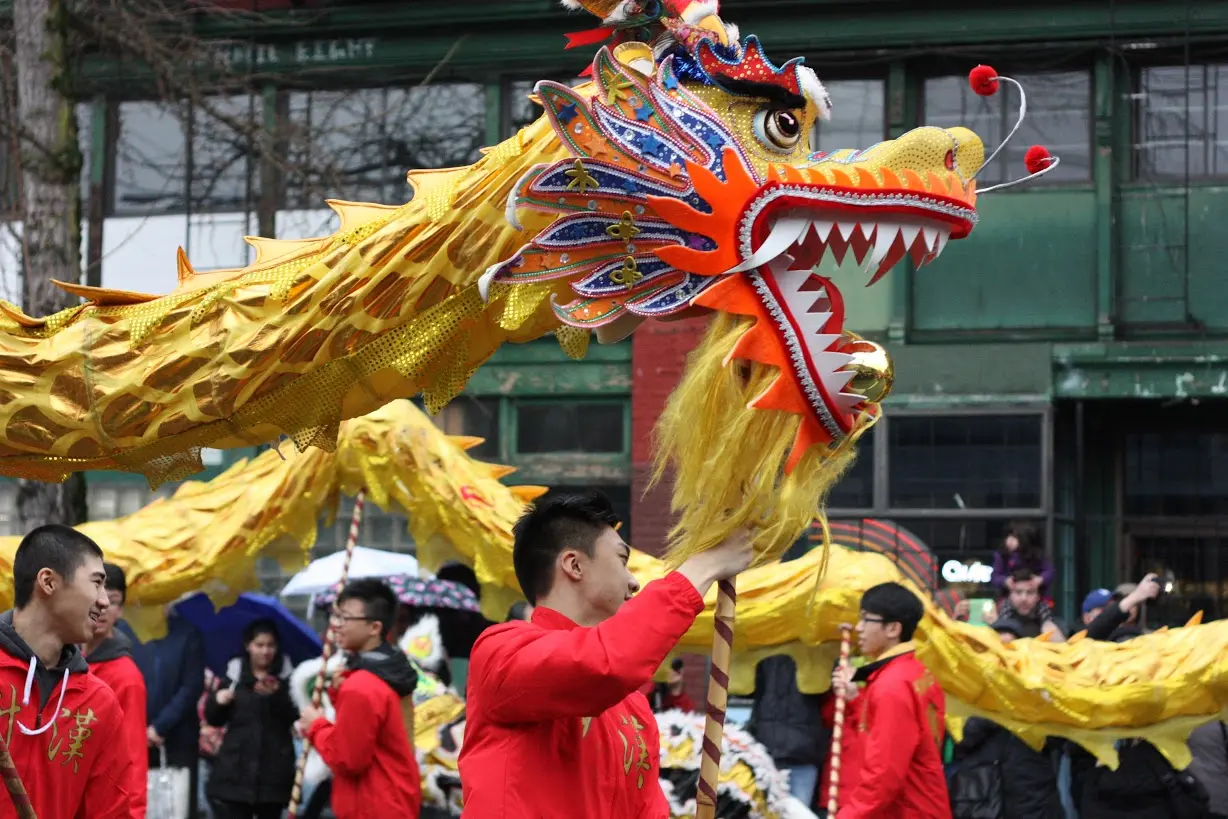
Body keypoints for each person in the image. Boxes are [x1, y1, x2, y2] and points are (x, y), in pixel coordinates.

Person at [458, 490, 753, 818]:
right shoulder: (501, 651)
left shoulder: (633, 705)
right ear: (574, 565)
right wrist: (705, 565)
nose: (634, 582)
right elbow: (602, 663)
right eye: (622, 560)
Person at [0, 525, 131, 817]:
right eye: (96, 583)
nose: (104, 601)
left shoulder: (99, 704)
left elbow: (110, 810)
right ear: (48, 581)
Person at [297, 579, 421, 818]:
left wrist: (316, 726)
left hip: (371, 806)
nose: (336, 625)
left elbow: (348, 760)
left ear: (374, 627)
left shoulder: (361, 686)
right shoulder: (391, 671)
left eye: (345, 618)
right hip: (394, 800)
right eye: (336, 616)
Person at [831, 582, 950, 819]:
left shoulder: (891, 686)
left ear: (893, 629)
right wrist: (856, 699)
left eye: (866, 619)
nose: (858, 628)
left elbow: (883, 775)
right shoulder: (915, 672)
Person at [204, 618, 299, 819]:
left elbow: (294, 716)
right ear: (248, 646)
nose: (265, 651)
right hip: (235, 769)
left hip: (274, 772)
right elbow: (214, 719)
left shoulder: (288, 679)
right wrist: (218, 701)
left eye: (270, 645)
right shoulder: (233, 677)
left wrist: (276, 696)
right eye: (259, 645)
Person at [83, 563, 148, 819]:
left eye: (112, 601)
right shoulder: (58, 661)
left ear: (120, 610)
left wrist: (133, 813)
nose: (102, 608)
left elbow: (133, 755)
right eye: (95, 597)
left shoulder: (125, 676)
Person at [134, 598, 206, 818]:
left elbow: (191, 686)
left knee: (177, 805)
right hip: (136, 737)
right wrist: (138, 727)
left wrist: (160, 727)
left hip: (178, 738)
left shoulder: (187, 633)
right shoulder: (129, 633)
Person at [747, 654, 827, 807]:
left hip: (772, 746)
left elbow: (742, 690)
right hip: (801, 747)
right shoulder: (819, 647)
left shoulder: (764, 646)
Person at [992, 569, 1064, 641]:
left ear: (1038, 596)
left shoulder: (1050, 618)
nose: (1024, 598)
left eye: (1030, 592)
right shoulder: (1000, 616)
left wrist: (1049, 627)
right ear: (1009, 596)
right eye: (1018, 592)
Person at [990, 521, 1055, 598]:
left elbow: (1050, 571)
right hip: (1009, 597)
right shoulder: (1002, 555)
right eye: (1008, 536)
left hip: (1036, 597)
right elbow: (995, 576)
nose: (1009, 540)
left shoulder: (1037, 554)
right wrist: (1005, 581)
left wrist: (1040, 579)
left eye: (1014, 537)